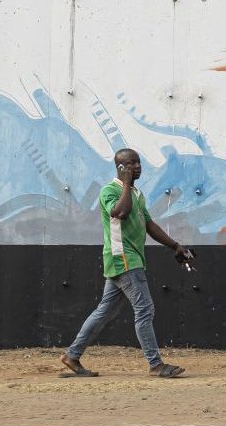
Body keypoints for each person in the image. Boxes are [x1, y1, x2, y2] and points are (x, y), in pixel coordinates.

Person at [59, 148, 195, 378]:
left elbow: (149, 224)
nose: (137, 167)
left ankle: (72, 356)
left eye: (138, 163)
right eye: (131, 164)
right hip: (124, 259)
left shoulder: (136, 194)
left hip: (127, 259)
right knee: (144, 310)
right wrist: (124, 184)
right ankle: (156, 364)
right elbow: (120, 212)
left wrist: (175, 246)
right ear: (120, 168)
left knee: (104, 311)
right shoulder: (110, 191)